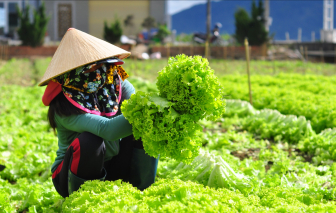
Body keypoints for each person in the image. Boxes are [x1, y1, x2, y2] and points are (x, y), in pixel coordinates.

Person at [38, 28, 159, 198]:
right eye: (88, 68)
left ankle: (142, 192)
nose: (97, 71)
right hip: (70, 177)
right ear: (72, 73)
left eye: (100, 64)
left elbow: (137, 106)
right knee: (90, 141)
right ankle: (84, 199)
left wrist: (159, 109)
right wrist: (148, 111)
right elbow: (107, 130)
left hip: (113, 165)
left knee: (146, 126)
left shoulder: (116, 83)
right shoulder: (63, 105)